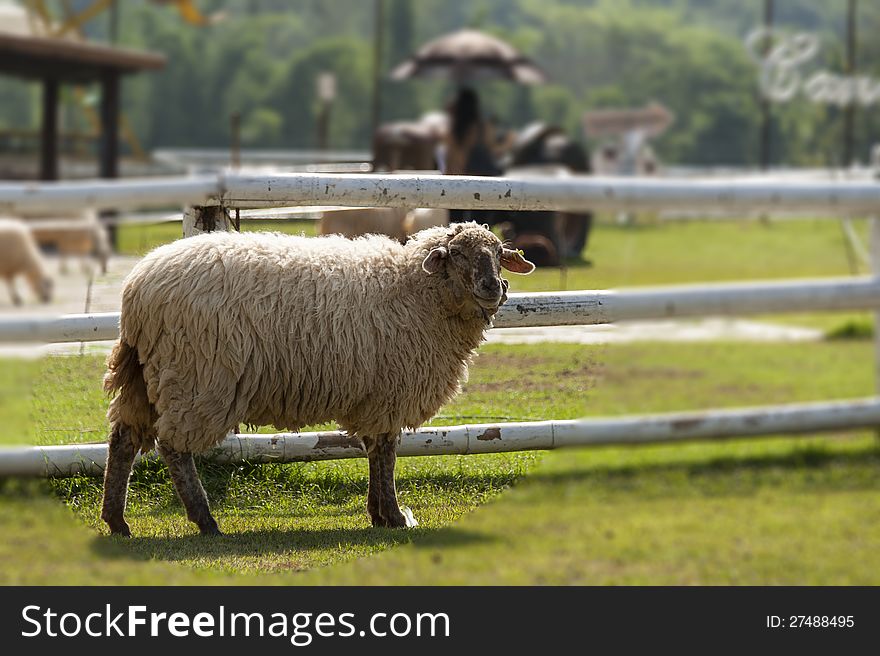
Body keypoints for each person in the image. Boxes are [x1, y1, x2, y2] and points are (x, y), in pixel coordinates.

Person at [442, 87, 509, 222]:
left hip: (456, 183)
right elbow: (494, 151)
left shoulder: (454, 130)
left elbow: (453, 159)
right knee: (479, 225)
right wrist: (508, 142)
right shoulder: (482, 127)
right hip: (481, 182)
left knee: (455, 226)